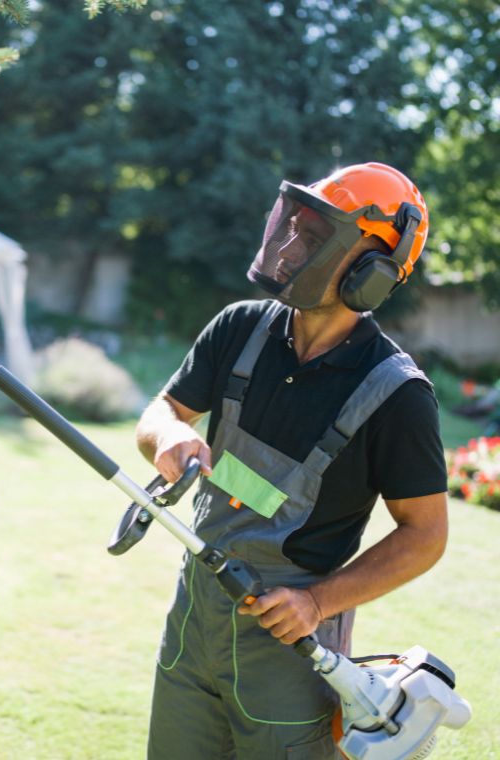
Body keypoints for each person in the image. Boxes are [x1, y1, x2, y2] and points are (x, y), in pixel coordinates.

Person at [135, 163, 448, 758]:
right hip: (193, 620)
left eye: (316, 235)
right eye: (296, 226)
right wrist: (168, 434)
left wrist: (316, 603)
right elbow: (162, 410)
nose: (290, 244)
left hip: (291, 649)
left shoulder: (397, 395)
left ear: (371, 272)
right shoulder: (239, 328)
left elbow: (426, 535)